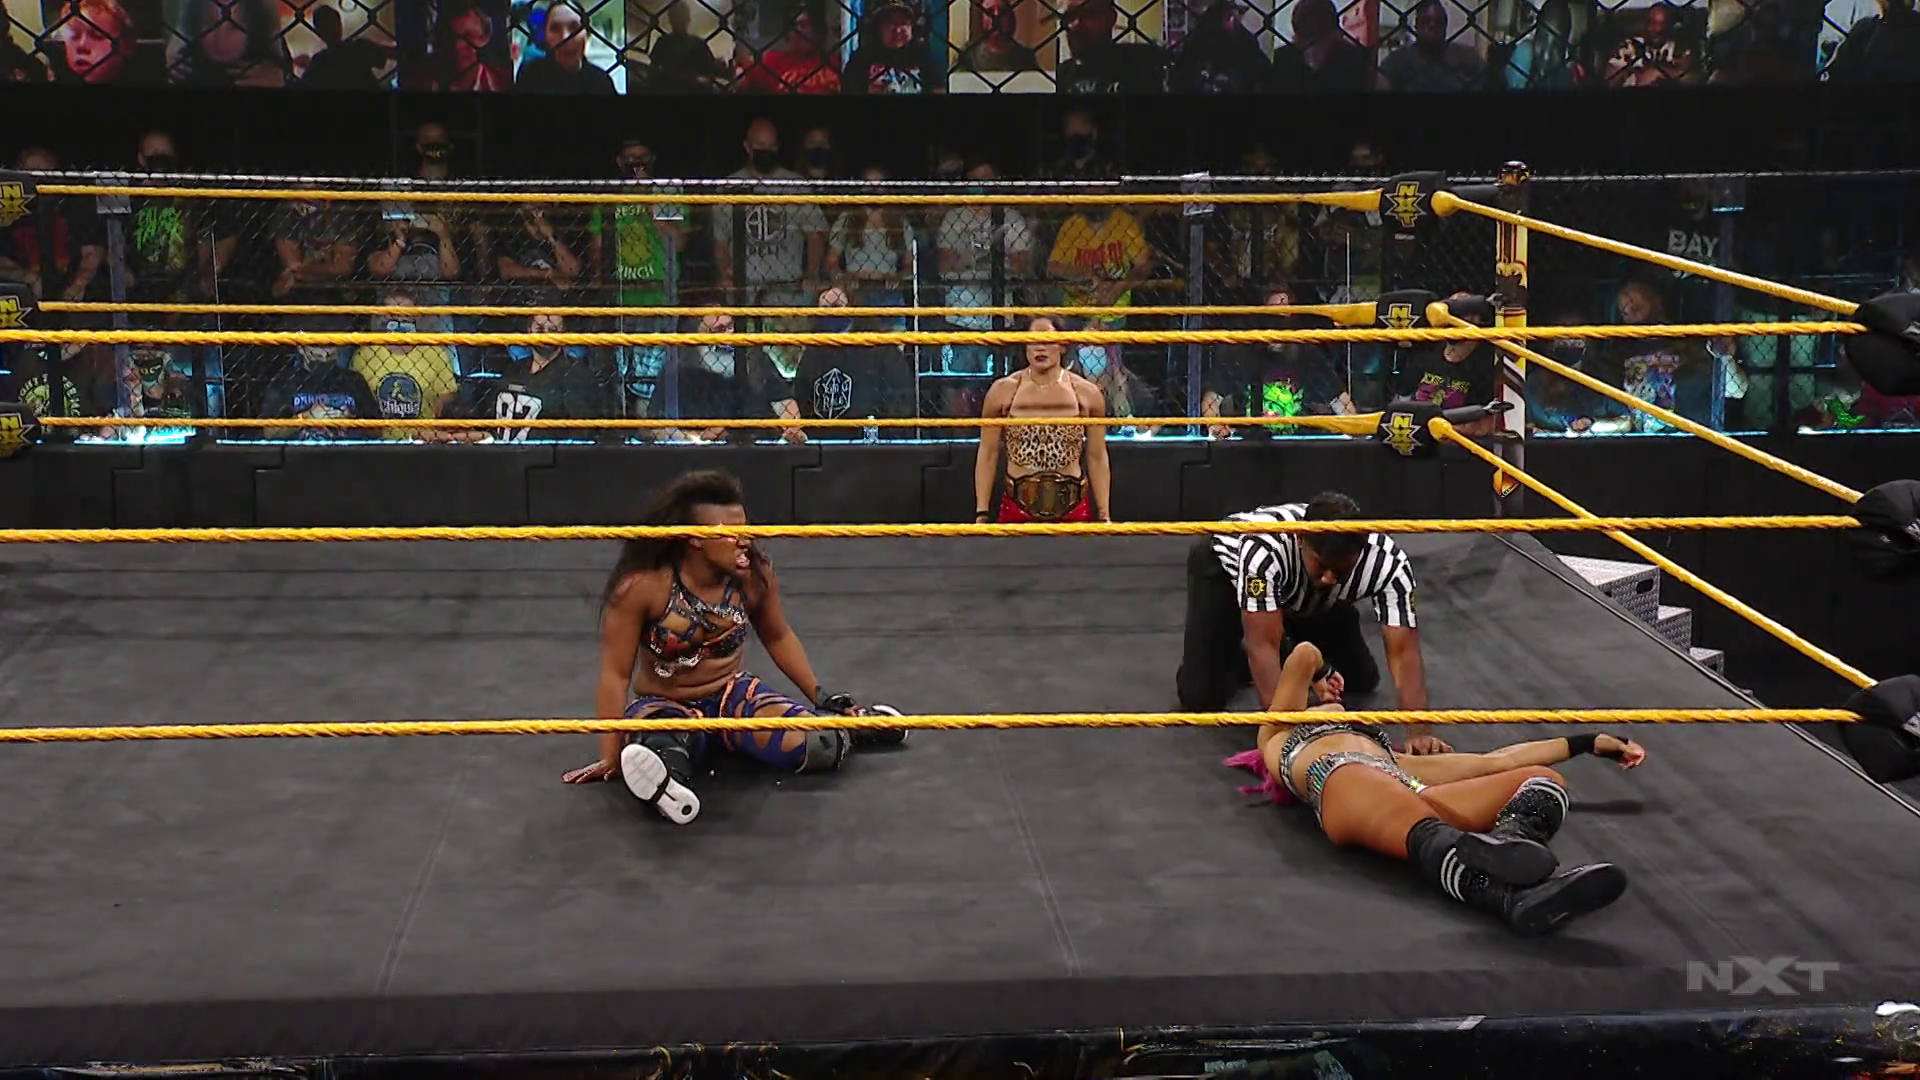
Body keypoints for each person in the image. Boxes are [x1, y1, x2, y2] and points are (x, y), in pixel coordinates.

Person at [1227, 641, 1643, 936]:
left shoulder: (1393, 756)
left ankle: (1515, 877)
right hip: (1342, 785)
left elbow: (1497, 761)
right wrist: (1321, 676)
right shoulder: (1278, 735)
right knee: (1405, 807)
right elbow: (1304, 653)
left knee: (1542, 780)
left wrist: (1589, 742)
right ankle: (1503, 882)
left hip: (1402, 788)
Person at [563, 470, 906, 823]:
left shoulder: (755, 575)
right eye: (730, 532)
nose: (744, 540)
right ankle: (670, 787)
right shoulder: (643, 587)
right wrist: (610, 755)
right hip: (666, 703)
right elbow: (615, 674)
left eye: (745, 527)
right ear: (695, 538)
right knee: (660, 745)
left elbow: (778, 636)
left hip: (732, 697)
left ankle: (852, 727)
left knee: (820, 746)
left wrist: (820, 695)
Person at [1177, 490, 1450, 753]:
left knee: (1359, 679)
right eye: (1322, 565)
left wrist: (1420, 732)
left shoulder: (1388, 565)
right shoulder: (1263, 549)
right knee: (1200, 696)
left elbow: (1403, 653)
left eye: (1340, 570)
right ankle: (1237, 649)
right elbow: (1263, 645)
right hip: (1224, 572)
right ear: (1300, 539)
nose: (1329, 577)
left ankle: (1294, 645)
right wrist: (1286, 737)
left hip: (1309, 597)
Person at [973, 316, 1113, 523]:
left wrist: (1104, 515)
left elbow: (1097, 456)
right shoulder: (1003, 391)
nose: (1040, 348)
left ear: (1062, 346)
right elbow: (988, 452)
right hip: (1017, 507)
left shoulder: (1086, 393)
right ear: (1025, 346)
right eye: (1034, 341)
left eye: (1047, 341)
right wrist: (982, 513)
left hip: (1072, 508)